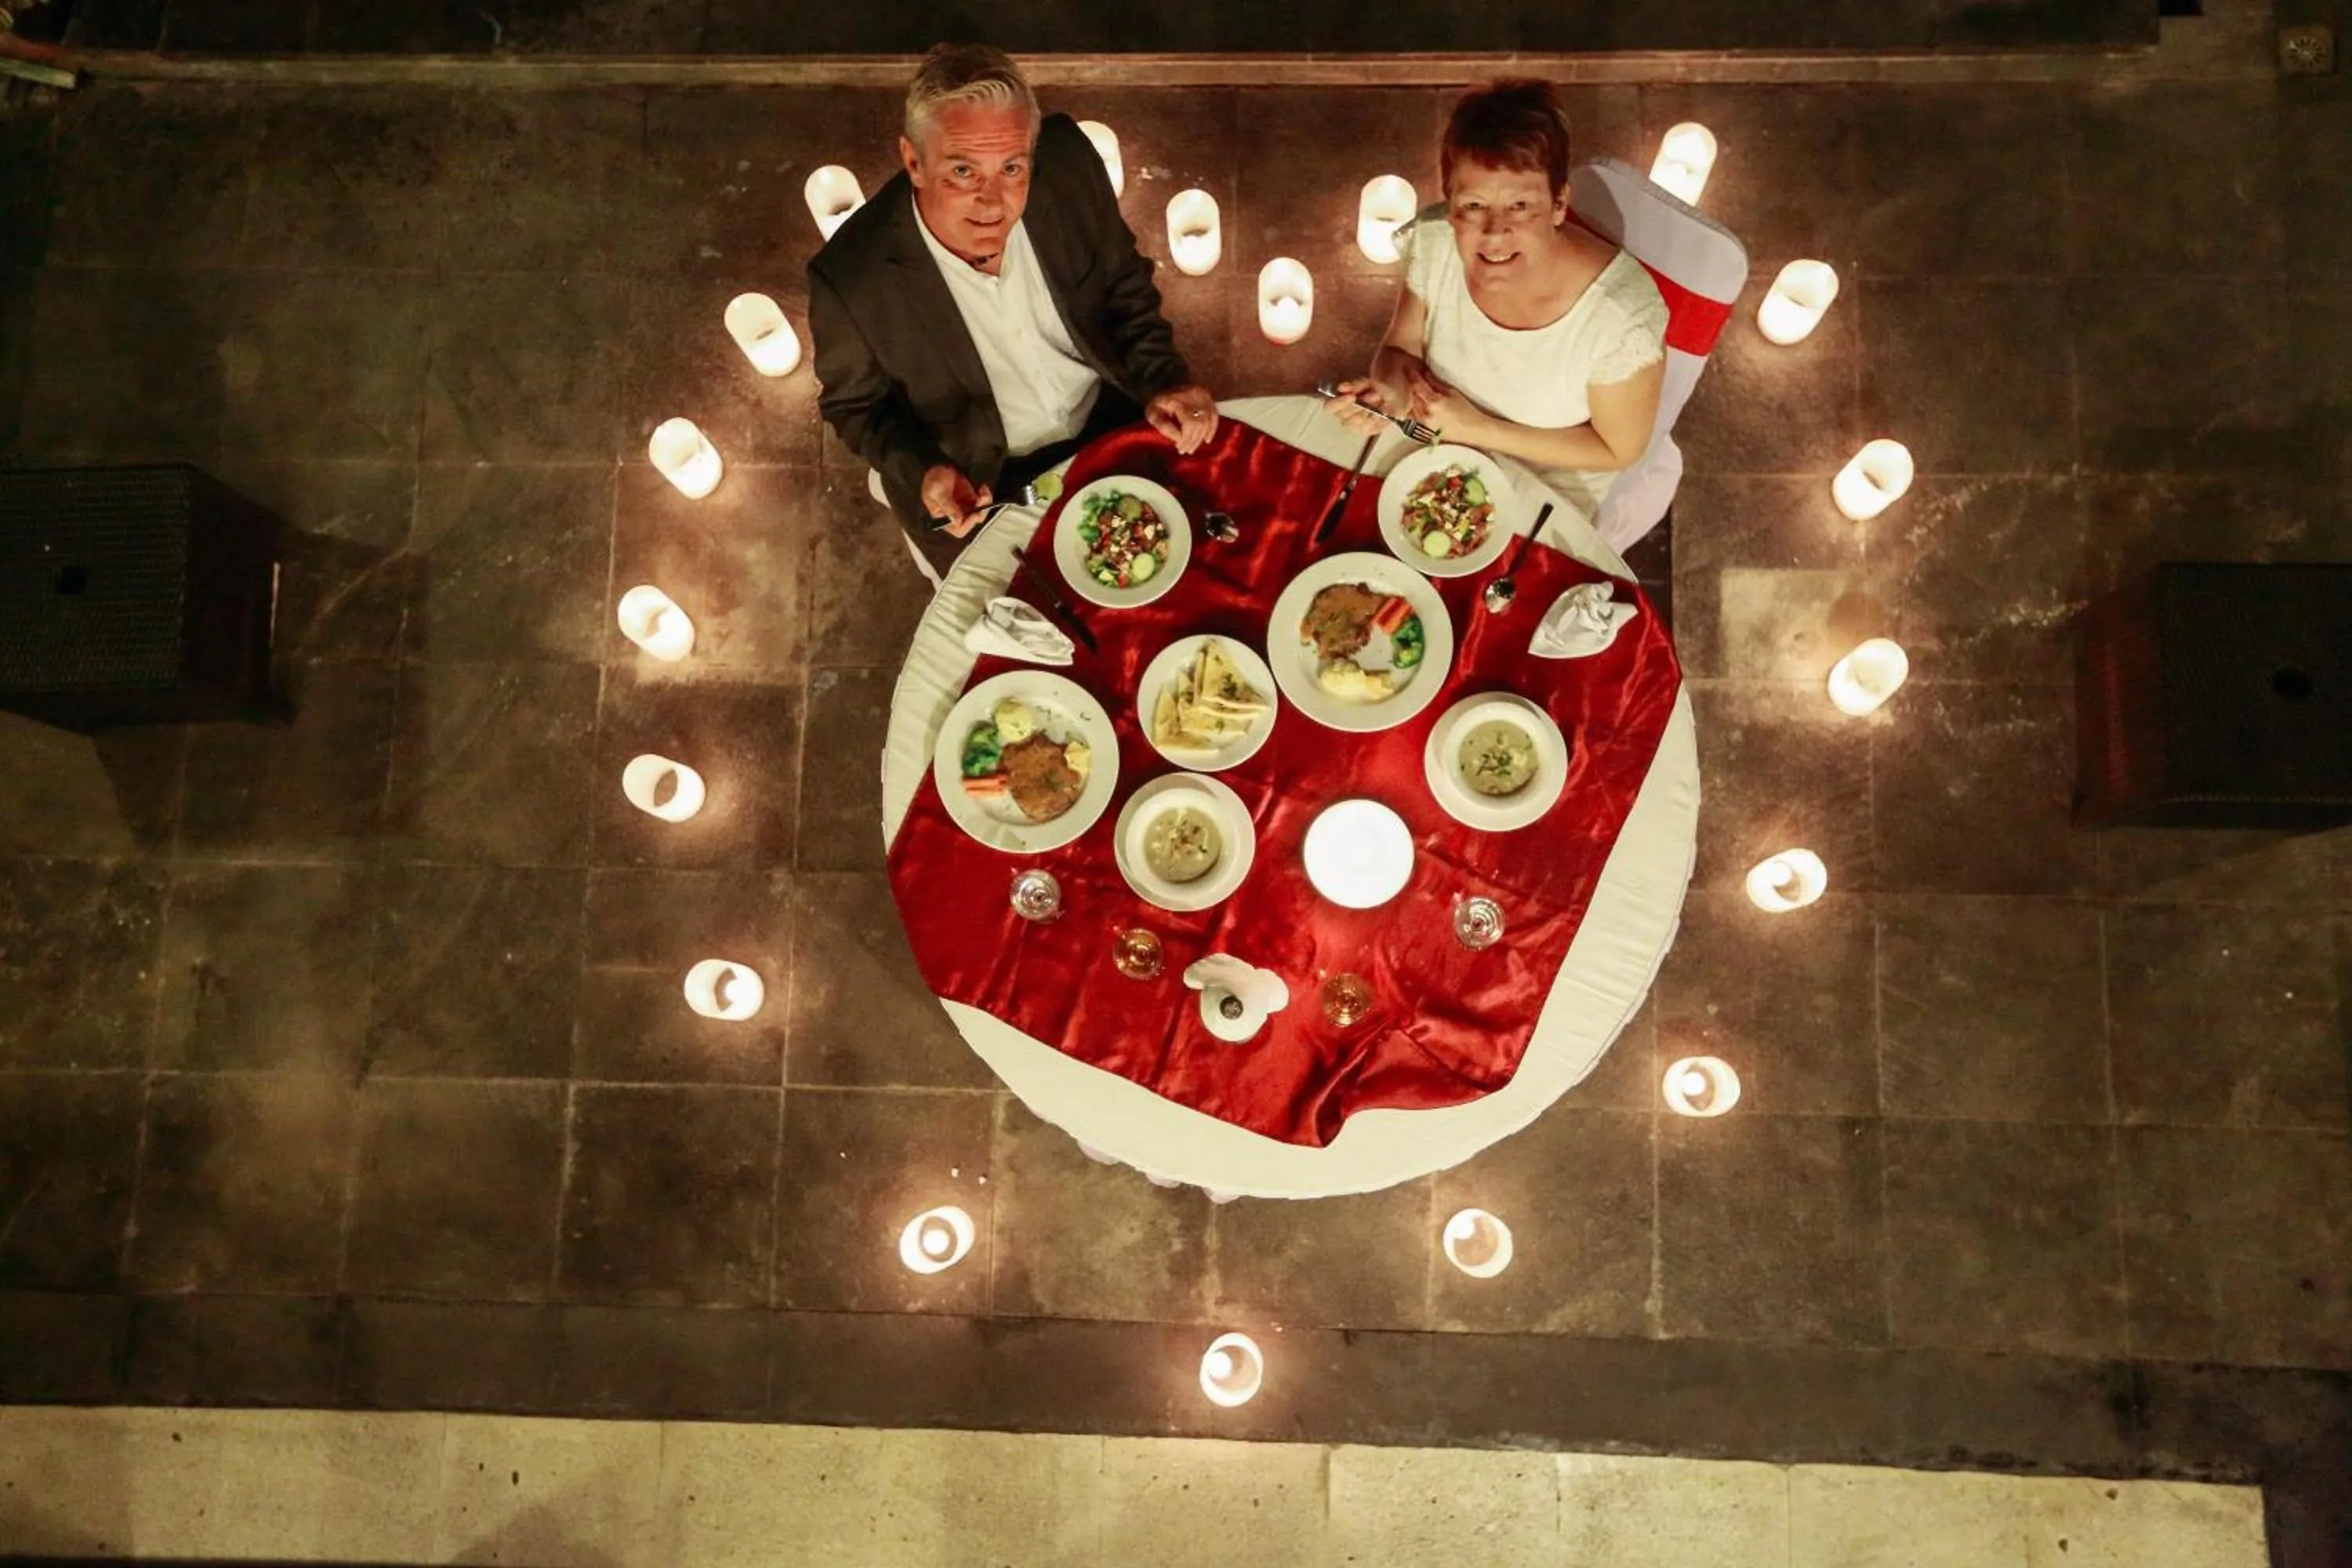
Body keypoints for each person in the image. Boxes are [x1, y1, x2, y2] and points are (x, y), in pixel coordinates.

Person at [808, 43, 1219, 578]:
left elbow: (1122, 282)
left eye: (1011, 168)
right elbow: (856, 407)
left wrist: (1164, 377)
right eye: (962, 170)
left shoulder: (1068, 163)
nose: (992, 201)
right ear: (914, 161)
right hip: (981, 482)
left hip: (1107, 420)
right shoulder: (850, 278)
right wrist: (925, 470)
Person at [1324, 79, 1667, 522]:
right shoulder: (1436, 242)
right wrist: (1391, 395)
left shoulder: (1621, 318)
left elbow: (1616, 449)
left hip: (1547, 496)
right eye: (1473, 205)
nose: (1494, 232)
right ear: (1450, 204)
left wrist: (1479, 429)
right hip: (1431, 448)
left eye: (1521, 205)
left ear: (1559, 203)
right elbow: (1400, 349)